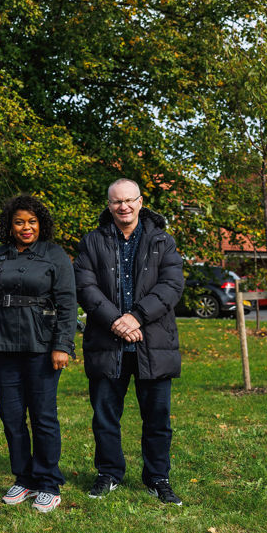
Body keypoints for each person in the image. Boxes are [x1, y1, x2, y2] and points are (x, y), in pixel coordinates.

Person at [73, 178, 184, 506]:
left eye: (129, 200)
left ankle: (158, 478)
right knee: (105, 415)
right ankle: (108, 473)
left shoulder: (162, 241)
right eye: (116, 201)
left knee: (158, 418)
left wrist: (135, 316)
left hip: (153, 344)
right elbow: (85, 286)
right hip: (107, 343)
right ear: (109, 205)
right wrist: (116, 322)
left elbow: (172, 285)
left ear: (140, 202)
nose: (123, 206)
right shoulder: (92, 241)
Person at [0, 195, 77, 513]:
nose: (26, 227)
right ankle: (25, 477)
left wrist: (62, 345)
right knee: (12, 417)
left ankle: (48, 482)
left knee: (43, 417)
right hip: (6, 348)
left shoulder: (54, 255)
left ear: (41, 224)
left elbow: (68, 304)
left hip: (43, 348)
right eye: (20, 221)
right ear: (10, 225)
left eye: (32, 221)